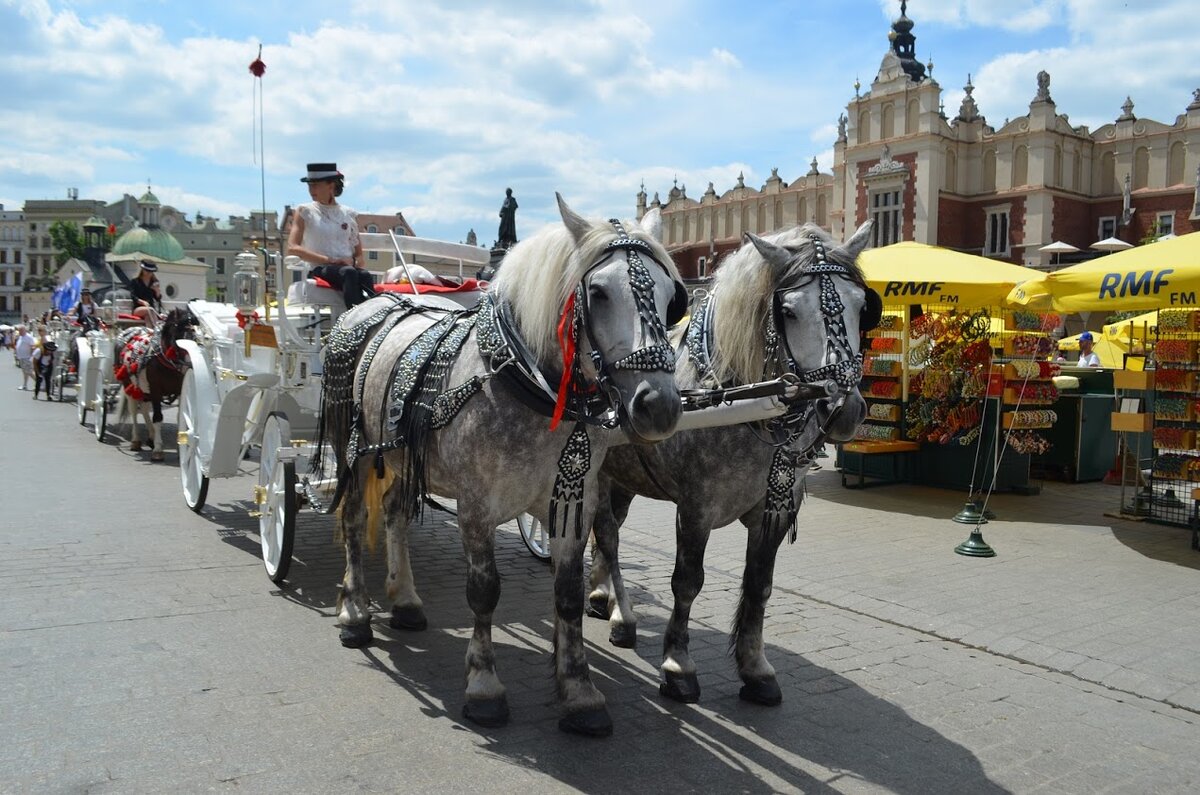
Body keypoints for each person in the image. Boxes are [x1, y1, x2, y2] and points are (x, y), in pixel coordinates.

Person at [287, 162, 373, 309]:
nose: (311, 190)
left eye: (315, 185)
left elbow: (359, 256)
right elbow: (292, 248)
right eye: (309, 185)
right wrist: (331, 260)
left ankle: (372, 314)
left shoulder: (348, 214)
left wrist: (352, 261)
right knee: (349, 273)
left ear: (331, 186)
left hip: (347, 268)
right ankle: (354, 316)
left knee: (364, 275)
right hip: (319, 268)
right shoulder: (305, 211)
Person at [13, 324, 35, 390]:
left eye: (20, 330)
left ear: (24, 330)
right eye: (19, 330)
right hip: (22, 357)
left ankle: (39, 383)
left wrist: (31, 356)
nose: (19, 331)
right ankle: (25, 385)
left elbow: (32, 346)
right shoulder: (21, 337)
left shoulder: (29, 337)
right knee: (25, 372)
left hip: (27, 357)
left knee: (29, 372)